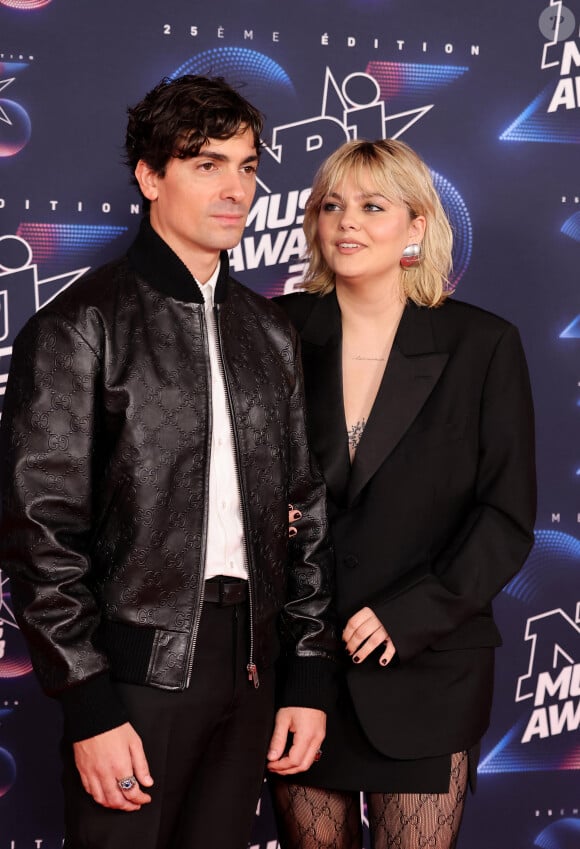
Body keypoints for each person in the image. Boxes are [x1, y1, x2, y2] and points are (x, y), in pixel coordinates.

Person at [0, 75, 337, 849]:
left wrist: (307, 672)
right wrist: (88, 700)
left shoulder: (270, 333)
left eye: (248, 166)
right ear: (151, 178)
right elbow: (39, 531)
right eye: (206, 163)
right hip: (133, 677)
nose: (235, 189)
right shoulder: (82, 325)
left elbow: (303, 509)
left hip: (250, 672)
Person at [269, 138, 536, 849]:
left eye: (372, 205)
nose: (346, 222)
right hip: (303, 664)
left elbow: (505, 517)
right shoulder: (277, 333)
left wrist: (411, 614)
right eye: (332, 205)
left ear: (416, 226)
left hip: (428, 666)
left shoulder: (483, 344)